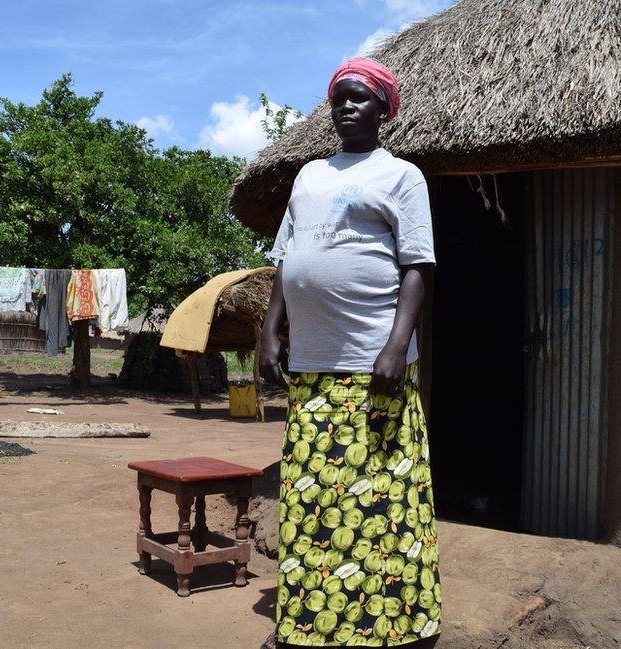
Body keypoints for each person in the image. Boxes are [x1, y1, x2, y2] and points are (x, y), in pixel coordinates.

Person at [259, 57, 441, 648]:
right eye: (339, 98)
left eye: (360, 98)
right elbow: (287, 262)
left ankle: (392, 626)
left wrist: (396, 345)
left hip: (374, 366)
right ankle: (309, 626)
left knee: (381, 497)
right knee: (313, 498)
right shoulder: (308, 176)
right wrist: (269, 331)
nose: (346, 106)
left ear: (384, 109)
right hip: (312, 367)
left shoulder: (402, 177)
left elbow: (416, 268)